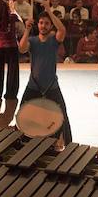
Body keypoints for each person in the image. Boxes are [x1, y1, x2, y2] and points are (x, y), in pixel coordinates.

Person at [18, 9, 72, 146]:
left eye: (47, 23)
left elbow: (62, 30)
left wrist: (48, 10)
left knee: (62, 115)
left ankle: (67, 144)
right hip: (33, 85)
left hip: (51, 85)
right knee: (22, 113)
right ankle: (23, 143)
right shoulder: (32, 40)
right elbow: (22, 49)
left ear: (51, 25)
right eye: (41, 23)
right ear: (38, 25)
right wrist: (27, 30)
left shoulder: (54, 40)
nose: (43, 26)